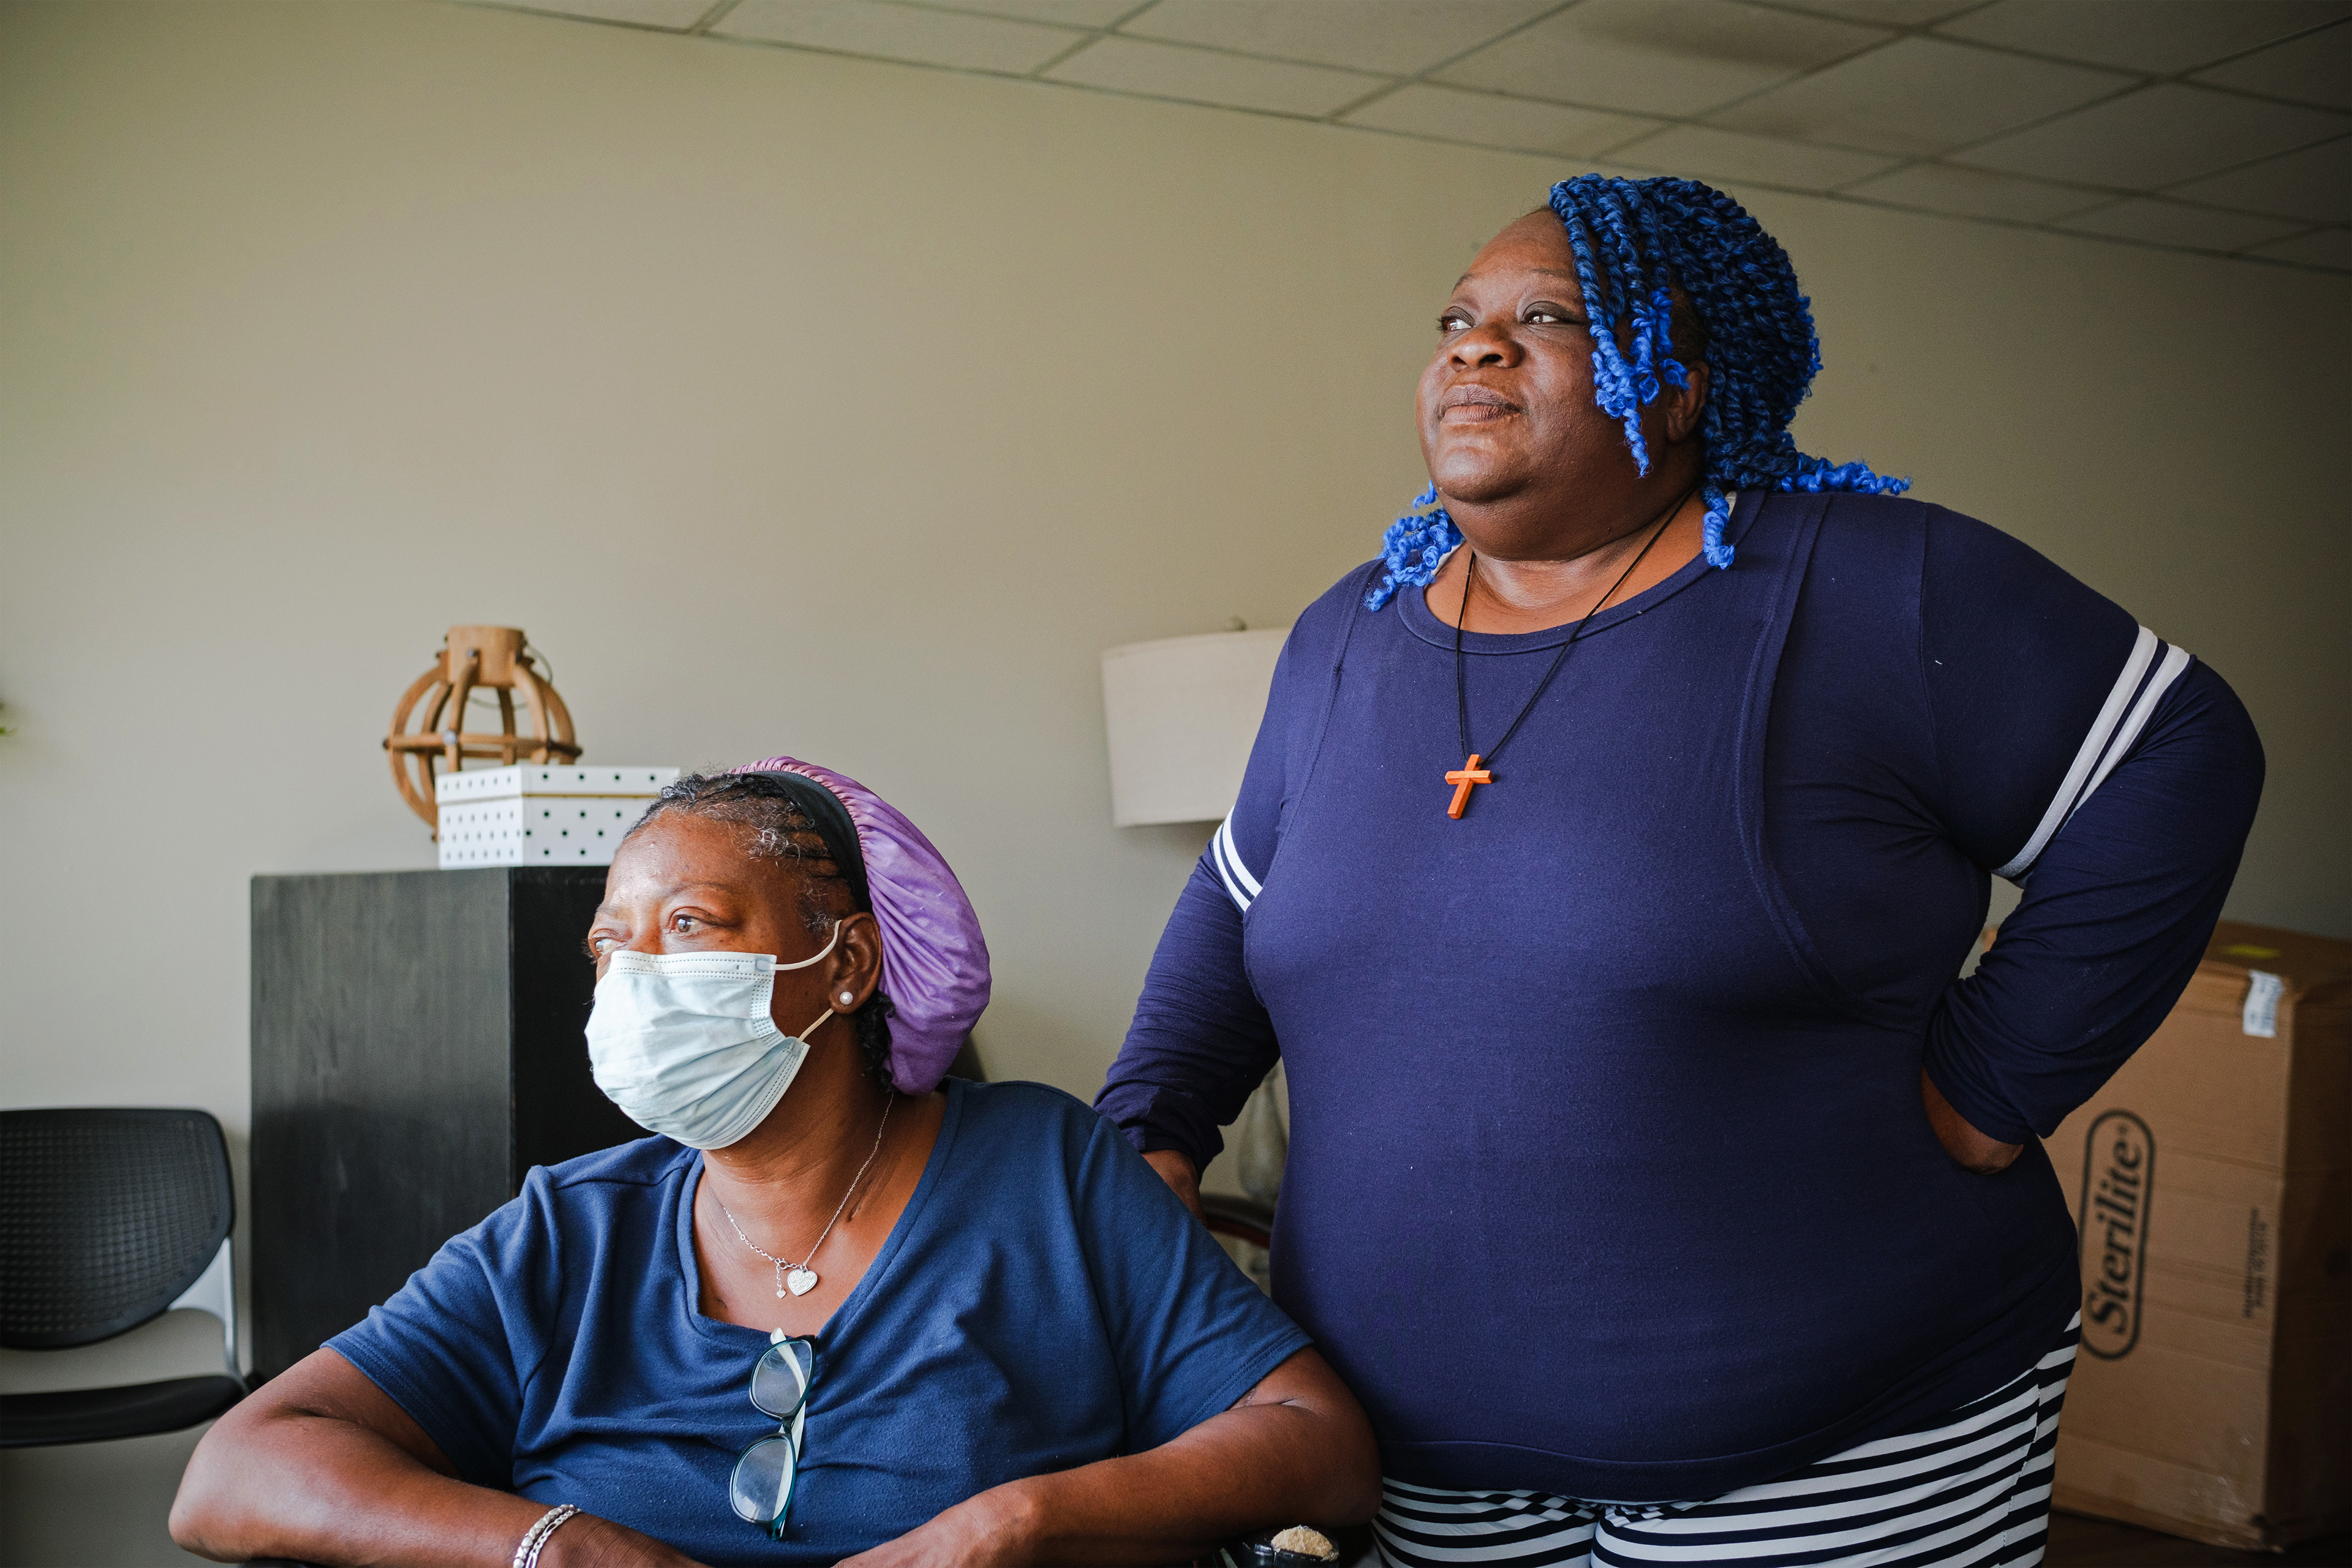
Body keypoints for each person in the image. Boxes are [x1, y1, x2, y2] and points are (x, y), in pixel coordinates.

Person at [1098, 175, 2264, 1567]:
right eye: (1459, 319)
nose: (1478, 345)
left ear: (1691, 382)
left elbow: (2178, 755)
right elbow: (1238, 901)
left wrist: (1996, 1078)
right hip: (1416, 1451)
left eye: (1548, 317)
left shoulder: (1872, 585)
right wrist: (1150, 1125)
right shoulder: (1347, 634)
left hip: (1832, 1443)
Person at [173, 761, 1378, 1568]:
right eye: (612, 944)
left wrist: (1012, 1523)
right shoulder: (573, 1230)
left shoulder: (1043, 1171)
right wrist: (561, 1545)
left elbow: (1318, 1441)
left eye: (691, 925)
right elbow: (236, 1469)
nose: (636, 975)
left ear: (847, 964)